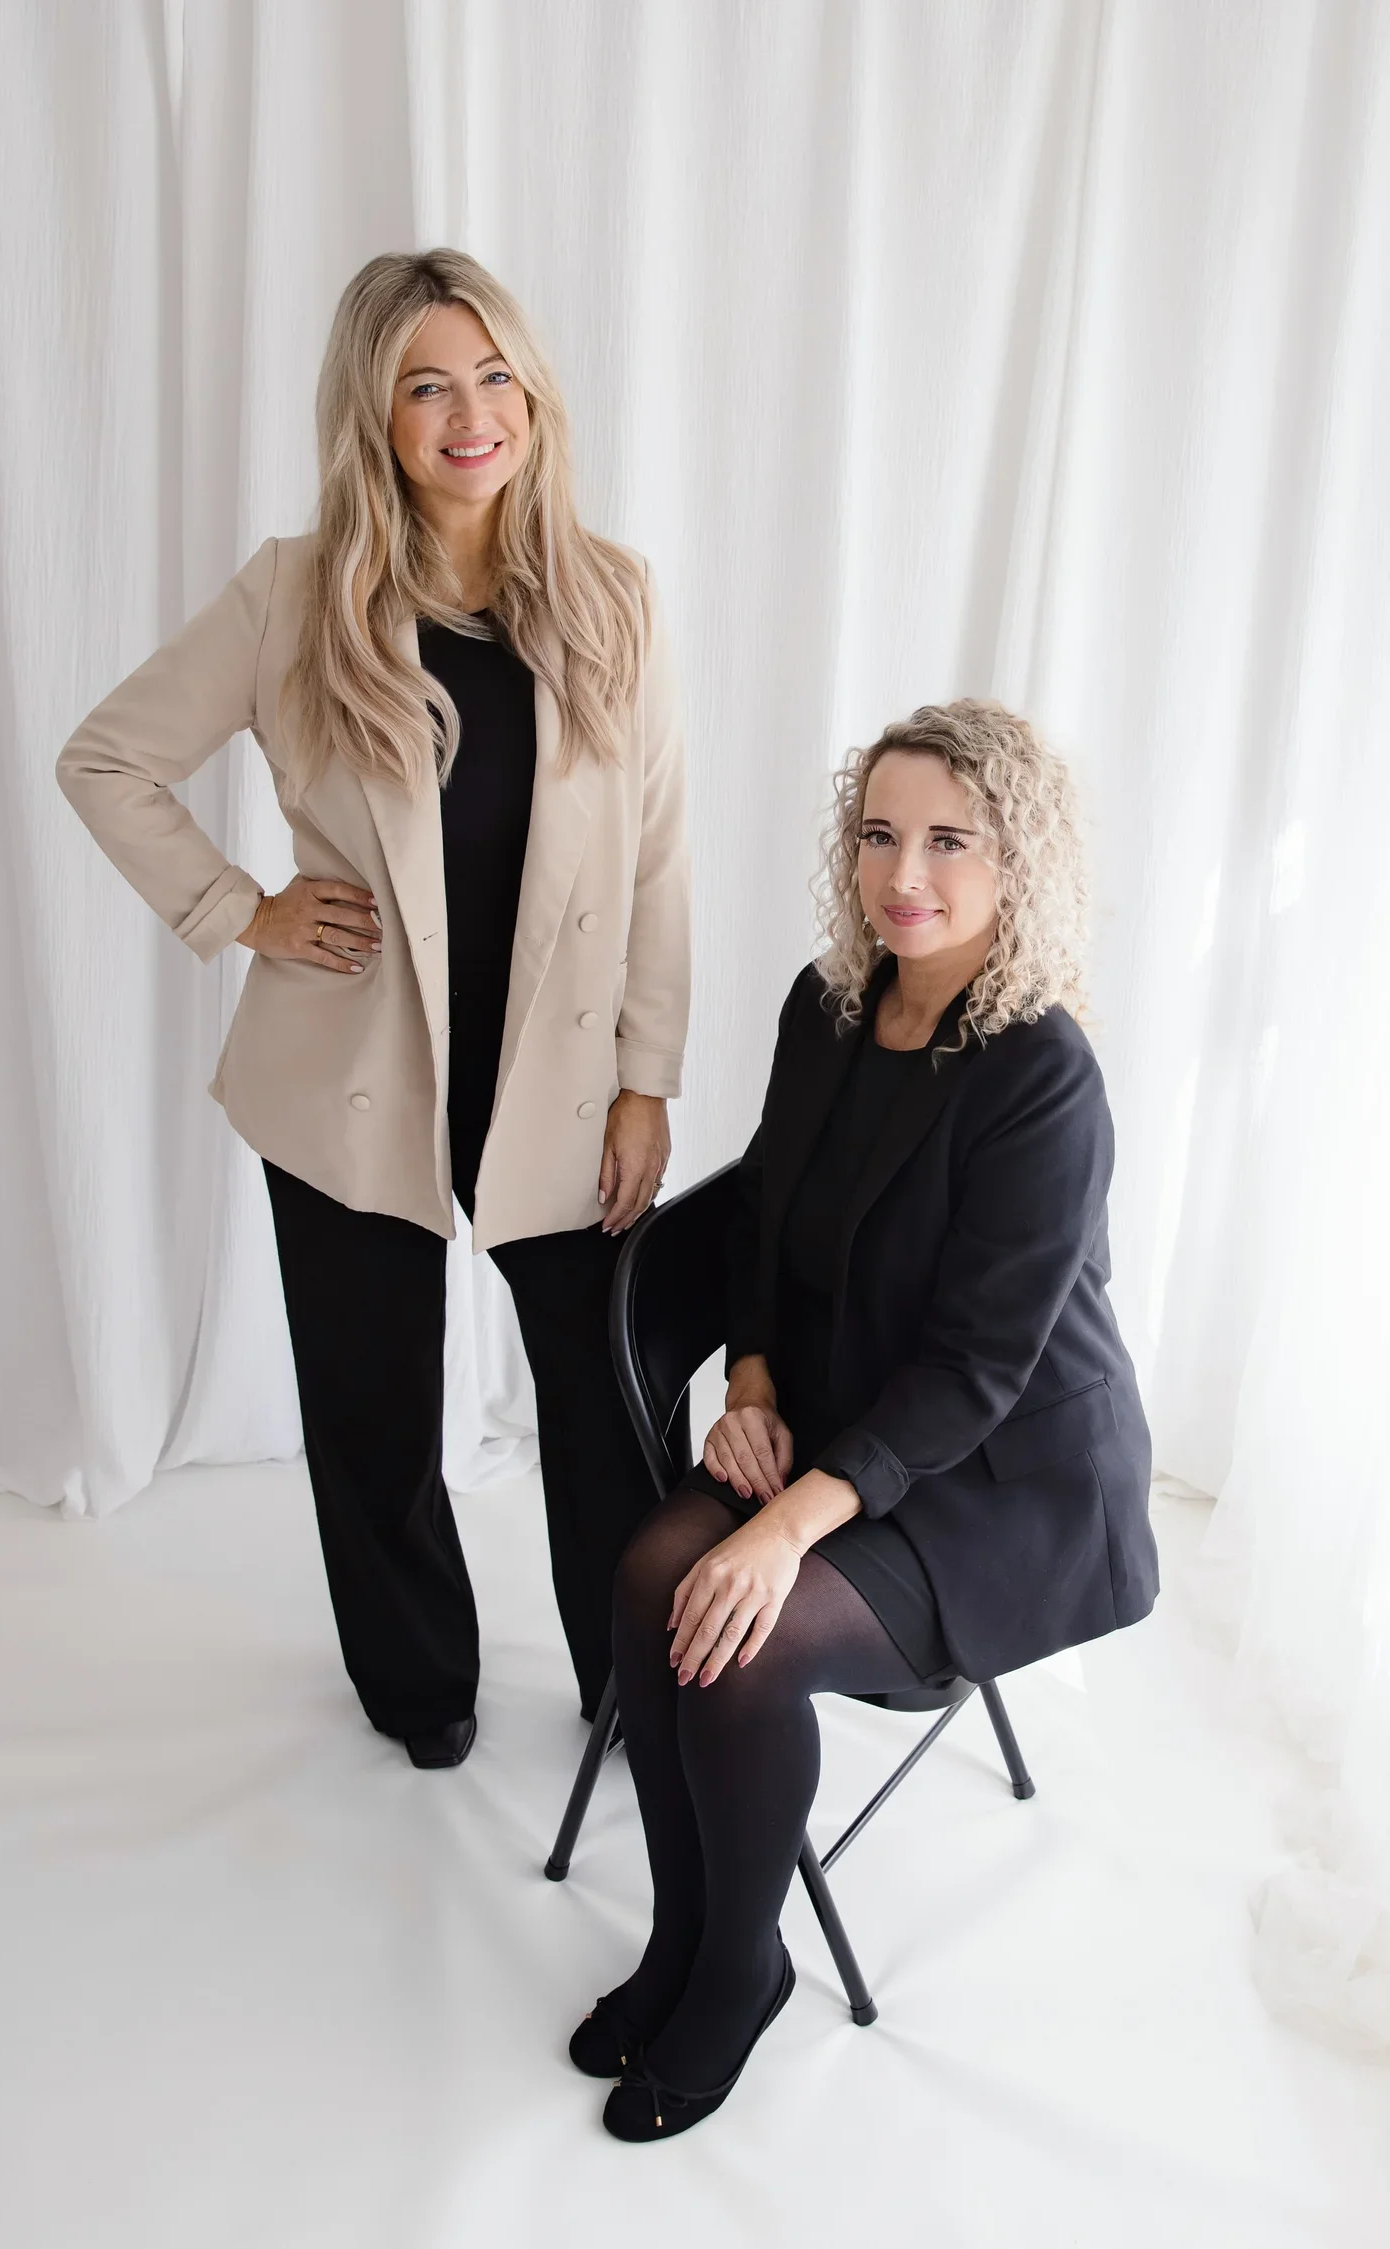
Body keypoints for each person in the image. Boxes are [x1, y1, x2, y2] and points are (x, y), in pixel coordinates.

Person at [57, 250, 689, 1769]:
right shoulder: (298, 593)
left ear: (530, 392)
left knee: (606, 1405)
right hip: (347, 1075)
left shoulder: (614, 597)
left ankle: (634, 1682)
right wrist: (242, 911)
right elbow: (106, 759)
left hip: (556, 1078)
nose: (471, 414)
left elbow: (660, 847)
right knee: (375, 1413)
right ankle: (420, 1689)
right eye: (426, 384)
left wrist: (647, 1077)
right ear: (375, 414)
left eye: (492, 376)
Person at [571, 700, 1157, 2140]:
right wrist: (752, 1380)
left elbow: (974, 1371)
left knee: (741, 1631)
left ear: (1017, 863)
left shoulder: (1041, 1073)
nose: (908, 872)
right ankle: (688, 1936)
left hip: (1000, 1476)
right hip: (838, 1407)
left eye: (952, 840)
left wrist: (783, 1527)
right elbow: (769, 1217)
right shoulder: (828, 1007)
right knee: (653, 1577)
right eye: (882, 834)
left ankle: (739, 1971)